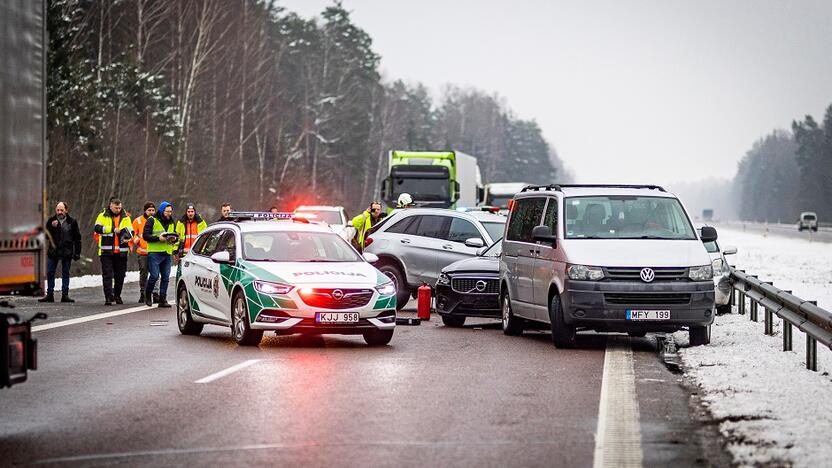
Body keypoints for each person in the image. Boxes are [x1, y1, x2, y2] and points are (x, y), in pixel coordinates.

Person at [39, 201, 81, 303]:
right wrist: (52, 228)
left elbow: (77, 239)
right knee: (50, 272)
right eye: (58, 210)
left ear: (66, 210)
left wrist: (77, 253)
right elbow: (45, 236)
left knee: (65, 273)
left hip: (67, 251)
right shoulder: (51, 221)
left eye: (61, 210)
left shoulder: (72, 222)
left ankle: (65, 295)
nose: (59, 212)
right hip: (53, 251)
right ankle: (49, 294)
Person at [94, 197, 132, 305]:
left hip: (121, 252)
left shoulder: (125, 217)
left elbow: (131, 231)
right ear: (110, 206)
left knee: (120, 275)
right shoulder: (102, 215)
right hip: (106, 252)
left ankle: (117, 295)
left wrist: (126, 234)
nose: (118, 209)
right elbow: (97, 228)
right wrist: (112, 229)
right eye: (116, 208)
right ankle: (108, 297)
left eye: (119, 207)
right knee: (107, 275)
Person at [143, 201, 177, 308]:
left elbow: (175, 236)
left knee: (166, 277)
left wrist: (174, 239)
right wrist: (158, 238)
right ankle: (148, 294)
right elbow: (145, 236)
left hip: (167, 253)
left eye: (170, 211)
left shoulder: (172, 222)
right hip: (154, 253)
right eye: (167, 211)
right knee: (154, 276)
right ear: (162, 211)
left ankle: (163, 299)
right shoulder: (152, 220)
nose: (169, 213)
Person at [131, 202, 157, 304]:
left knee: (155, 274)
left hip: (155, 252)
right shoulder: (138, 221)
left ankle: (155, 294)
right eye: (149, 210)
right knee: (144, 273)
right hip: (142, 252)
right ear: (145, 211)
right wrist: (138, 241)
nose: (151, 212)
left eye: (153, 210)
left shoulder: (157, 220)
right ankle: (143, 293)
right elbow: (133, 234)